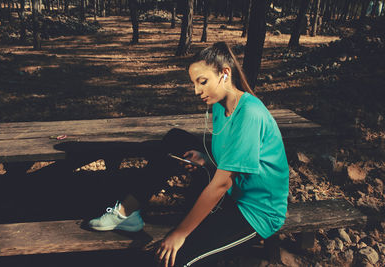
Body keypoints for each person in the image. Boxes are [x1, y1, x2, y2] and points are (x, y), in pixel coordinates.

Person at [88, 42, 289, 267]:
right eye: (194, 83)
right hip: (234, 190)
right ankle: (128, 211)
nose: (196, 91)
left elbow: (221, 184)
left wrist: (180, 233)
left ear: (225, 74)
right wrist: (206, 159)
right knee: (176, 139)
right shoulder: (221, 107)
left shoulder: (249, 113)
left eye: (202, 82)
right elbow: (233, 157)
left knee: (173, 259)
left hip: (255, 211)